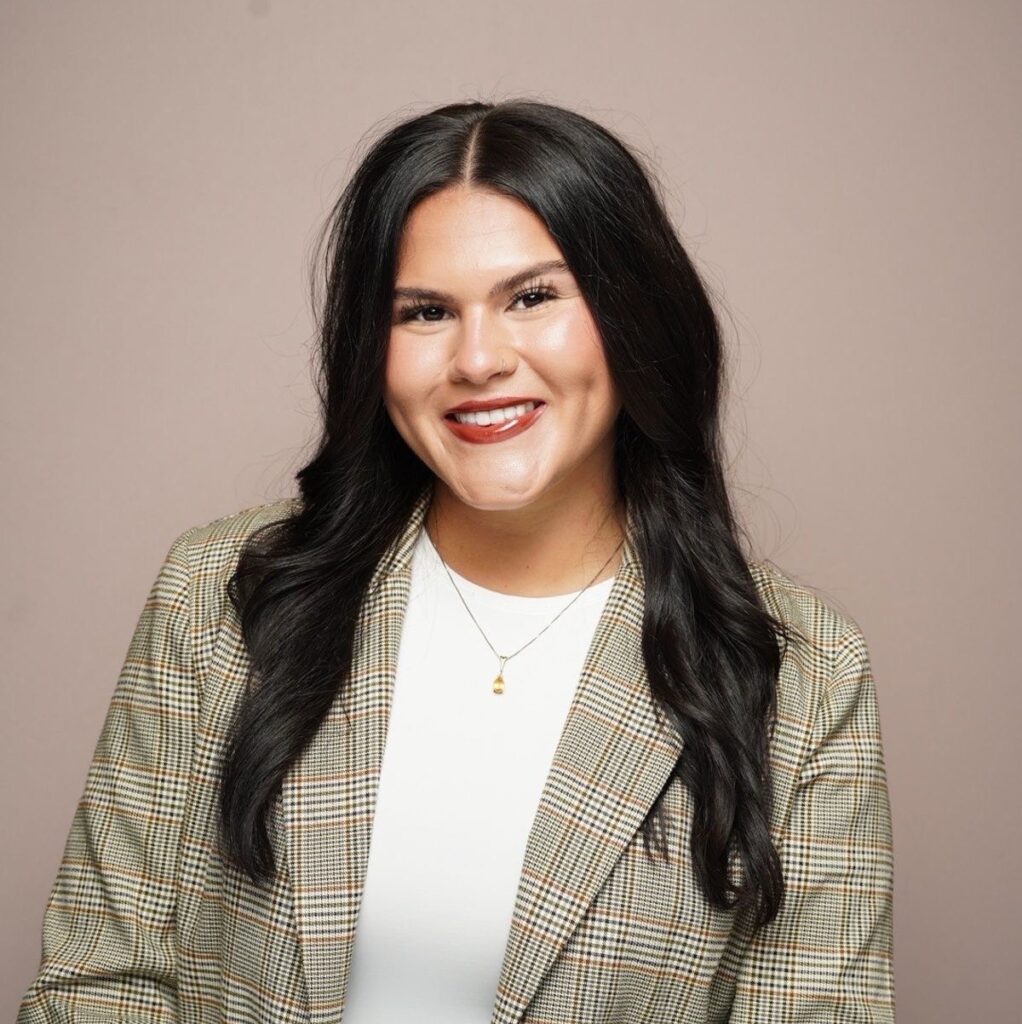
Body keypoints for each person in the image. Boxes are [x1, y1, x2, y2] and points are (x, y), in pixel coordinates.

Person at [18, 98, 896, 1023]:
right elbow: (97, 986)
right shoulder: (220, 599)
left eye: (532, 297)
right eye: (426, 311)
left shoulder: (801, 675)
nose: (478, 359)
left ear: (634, 316)